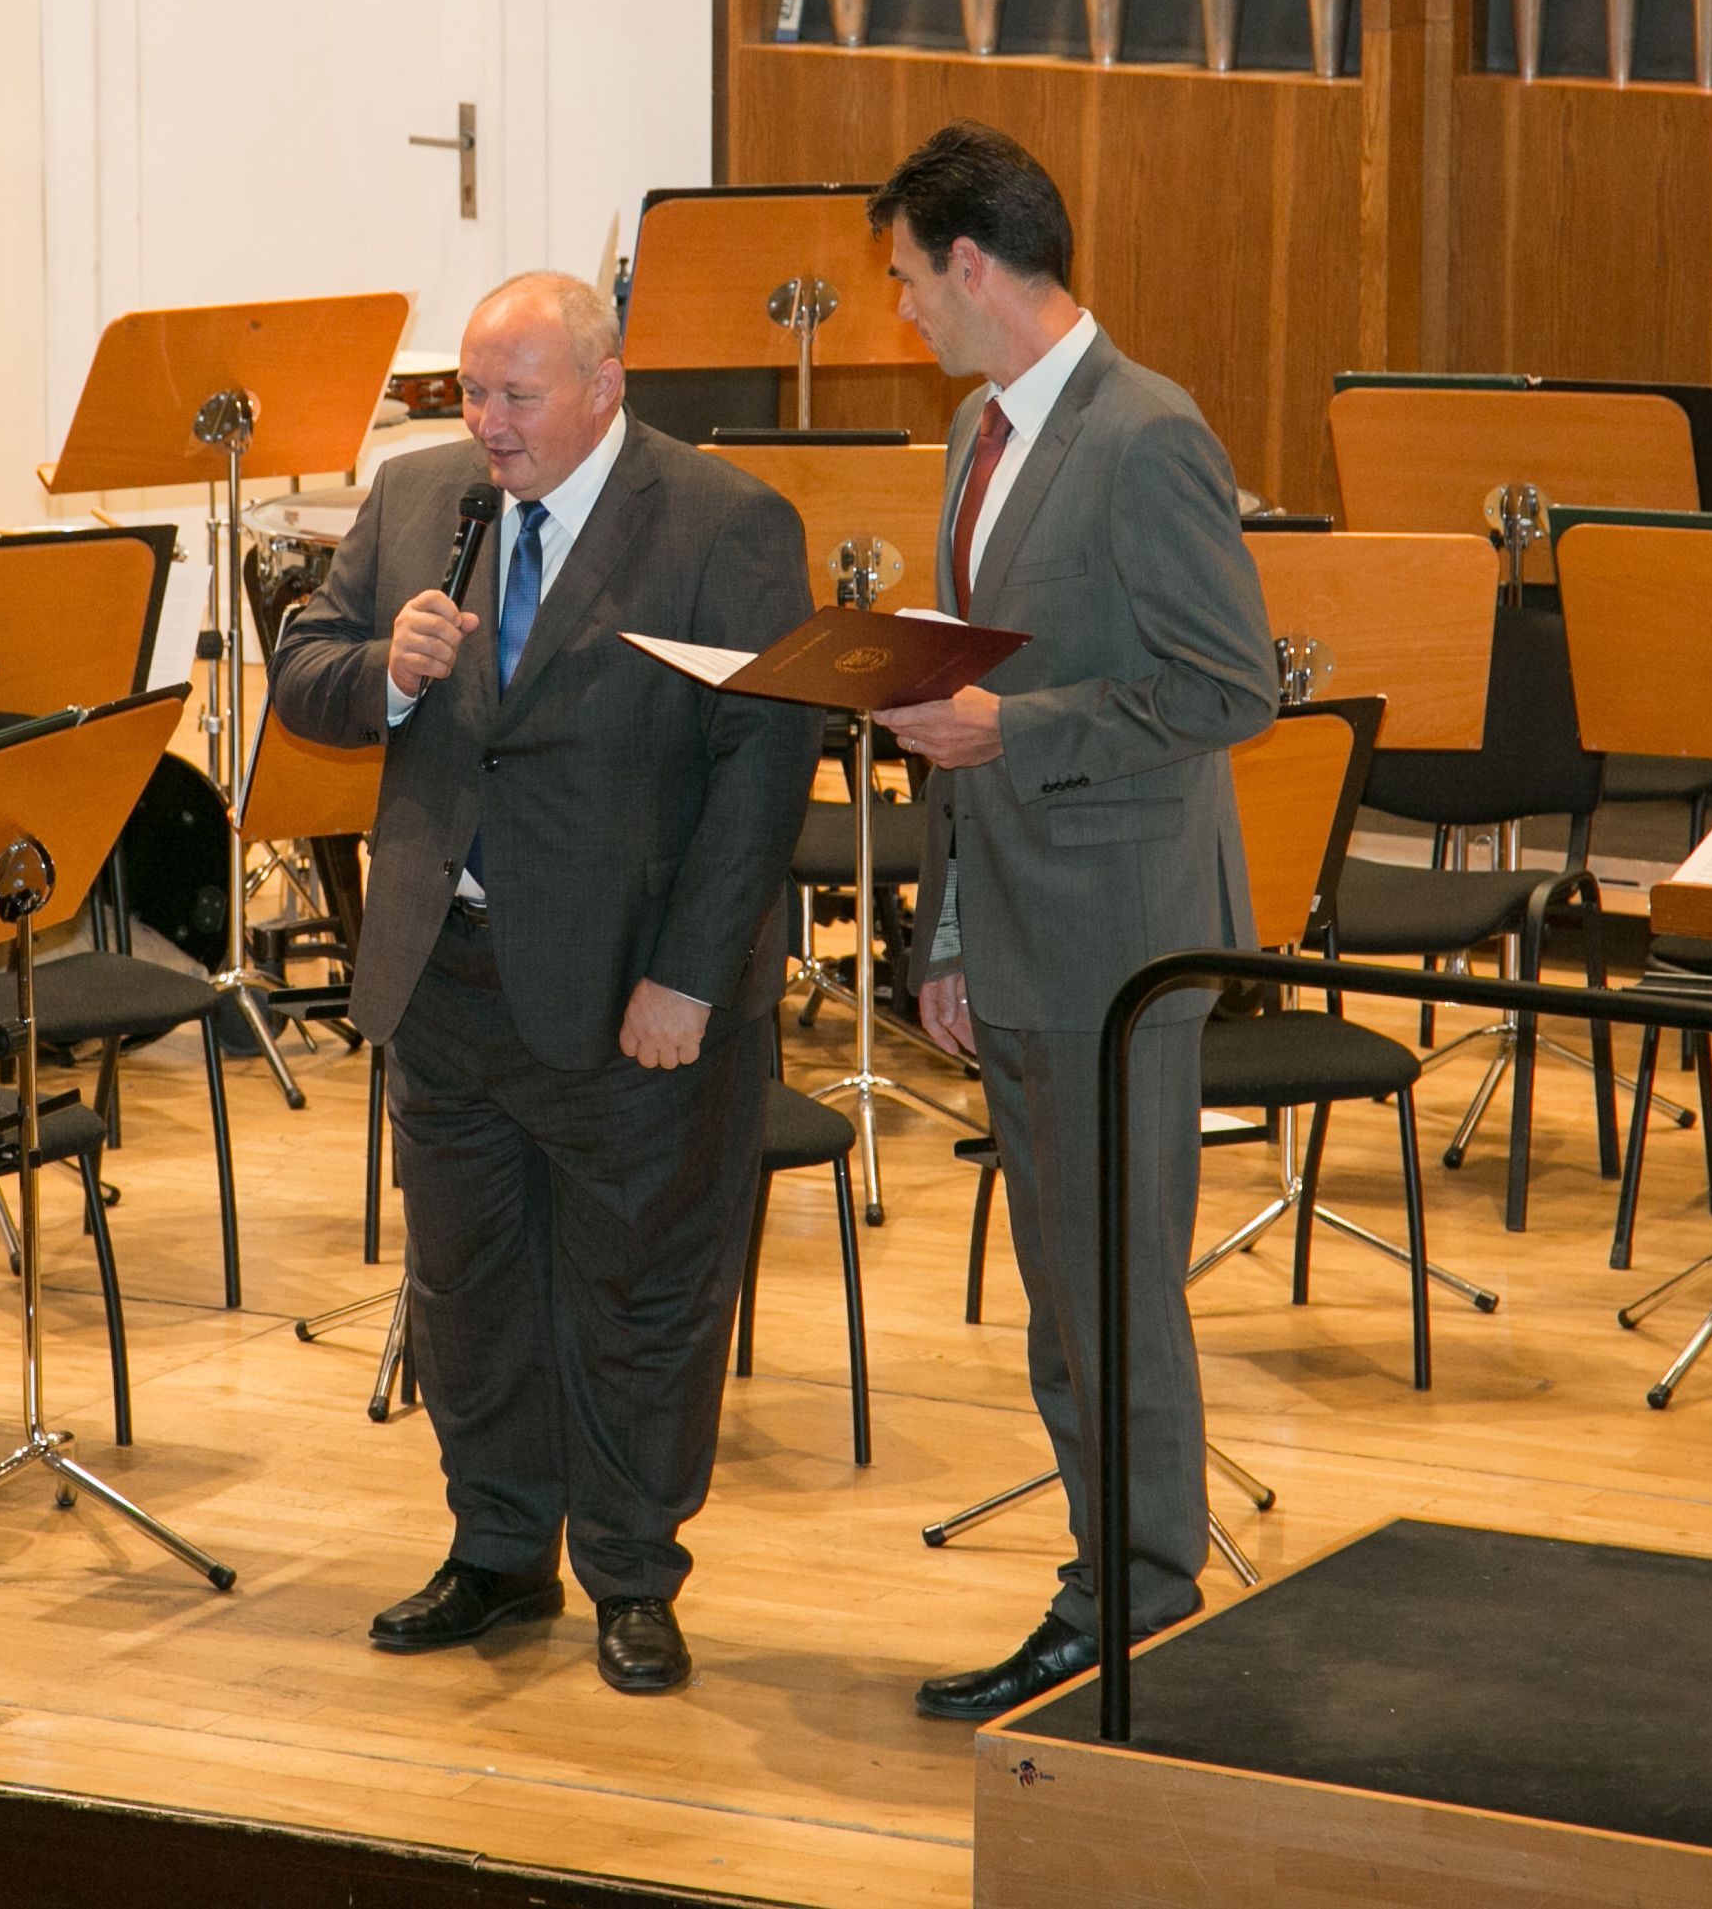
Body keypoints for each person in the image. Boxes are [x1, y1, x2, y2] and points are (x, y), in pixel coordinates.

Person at [271, 271, 819, 1696]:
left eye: (518, 395)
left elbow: (762, 771)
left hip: (633, 988)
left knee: (641, 1295)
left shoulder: (723, 520)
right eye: (472, 391)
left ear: (604, 385)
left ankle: (631, 1573)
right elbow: (301, 664)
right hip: (442, 978)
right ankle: (498, 1551)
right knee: (467, 1289)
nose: (489, 422)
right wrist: (385, 674)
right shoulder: (416, 495)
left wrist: (690, 978)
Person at [862, 123, 1277, 1724]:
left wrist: (1007, 730)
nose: (900, 307)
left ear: (973, 264)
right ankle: (1113, 1580)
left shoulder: (1144, 430)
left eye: (908, 278)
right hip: (1019, 922)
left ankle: (1137, 1599)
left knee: (1110, 1293)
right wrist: (950, 936)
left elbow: (1227, 687)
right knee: (1064, 1292)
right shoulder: (976, 427)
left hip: (1122, 930)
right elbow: (972, 679)